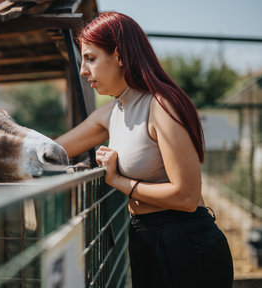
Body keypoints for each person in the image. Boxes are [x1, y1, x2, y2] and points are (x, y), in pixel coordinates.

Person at [56, 12, 233, 288]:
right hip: (143, 238)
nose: (82, 70)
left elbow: (186, 196)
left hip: (184, 244)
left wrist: (119, 181)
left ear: (119, 55)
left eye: (90, 58)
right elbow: (54, 150)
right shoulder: (112, 111)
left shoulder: (161, 105)